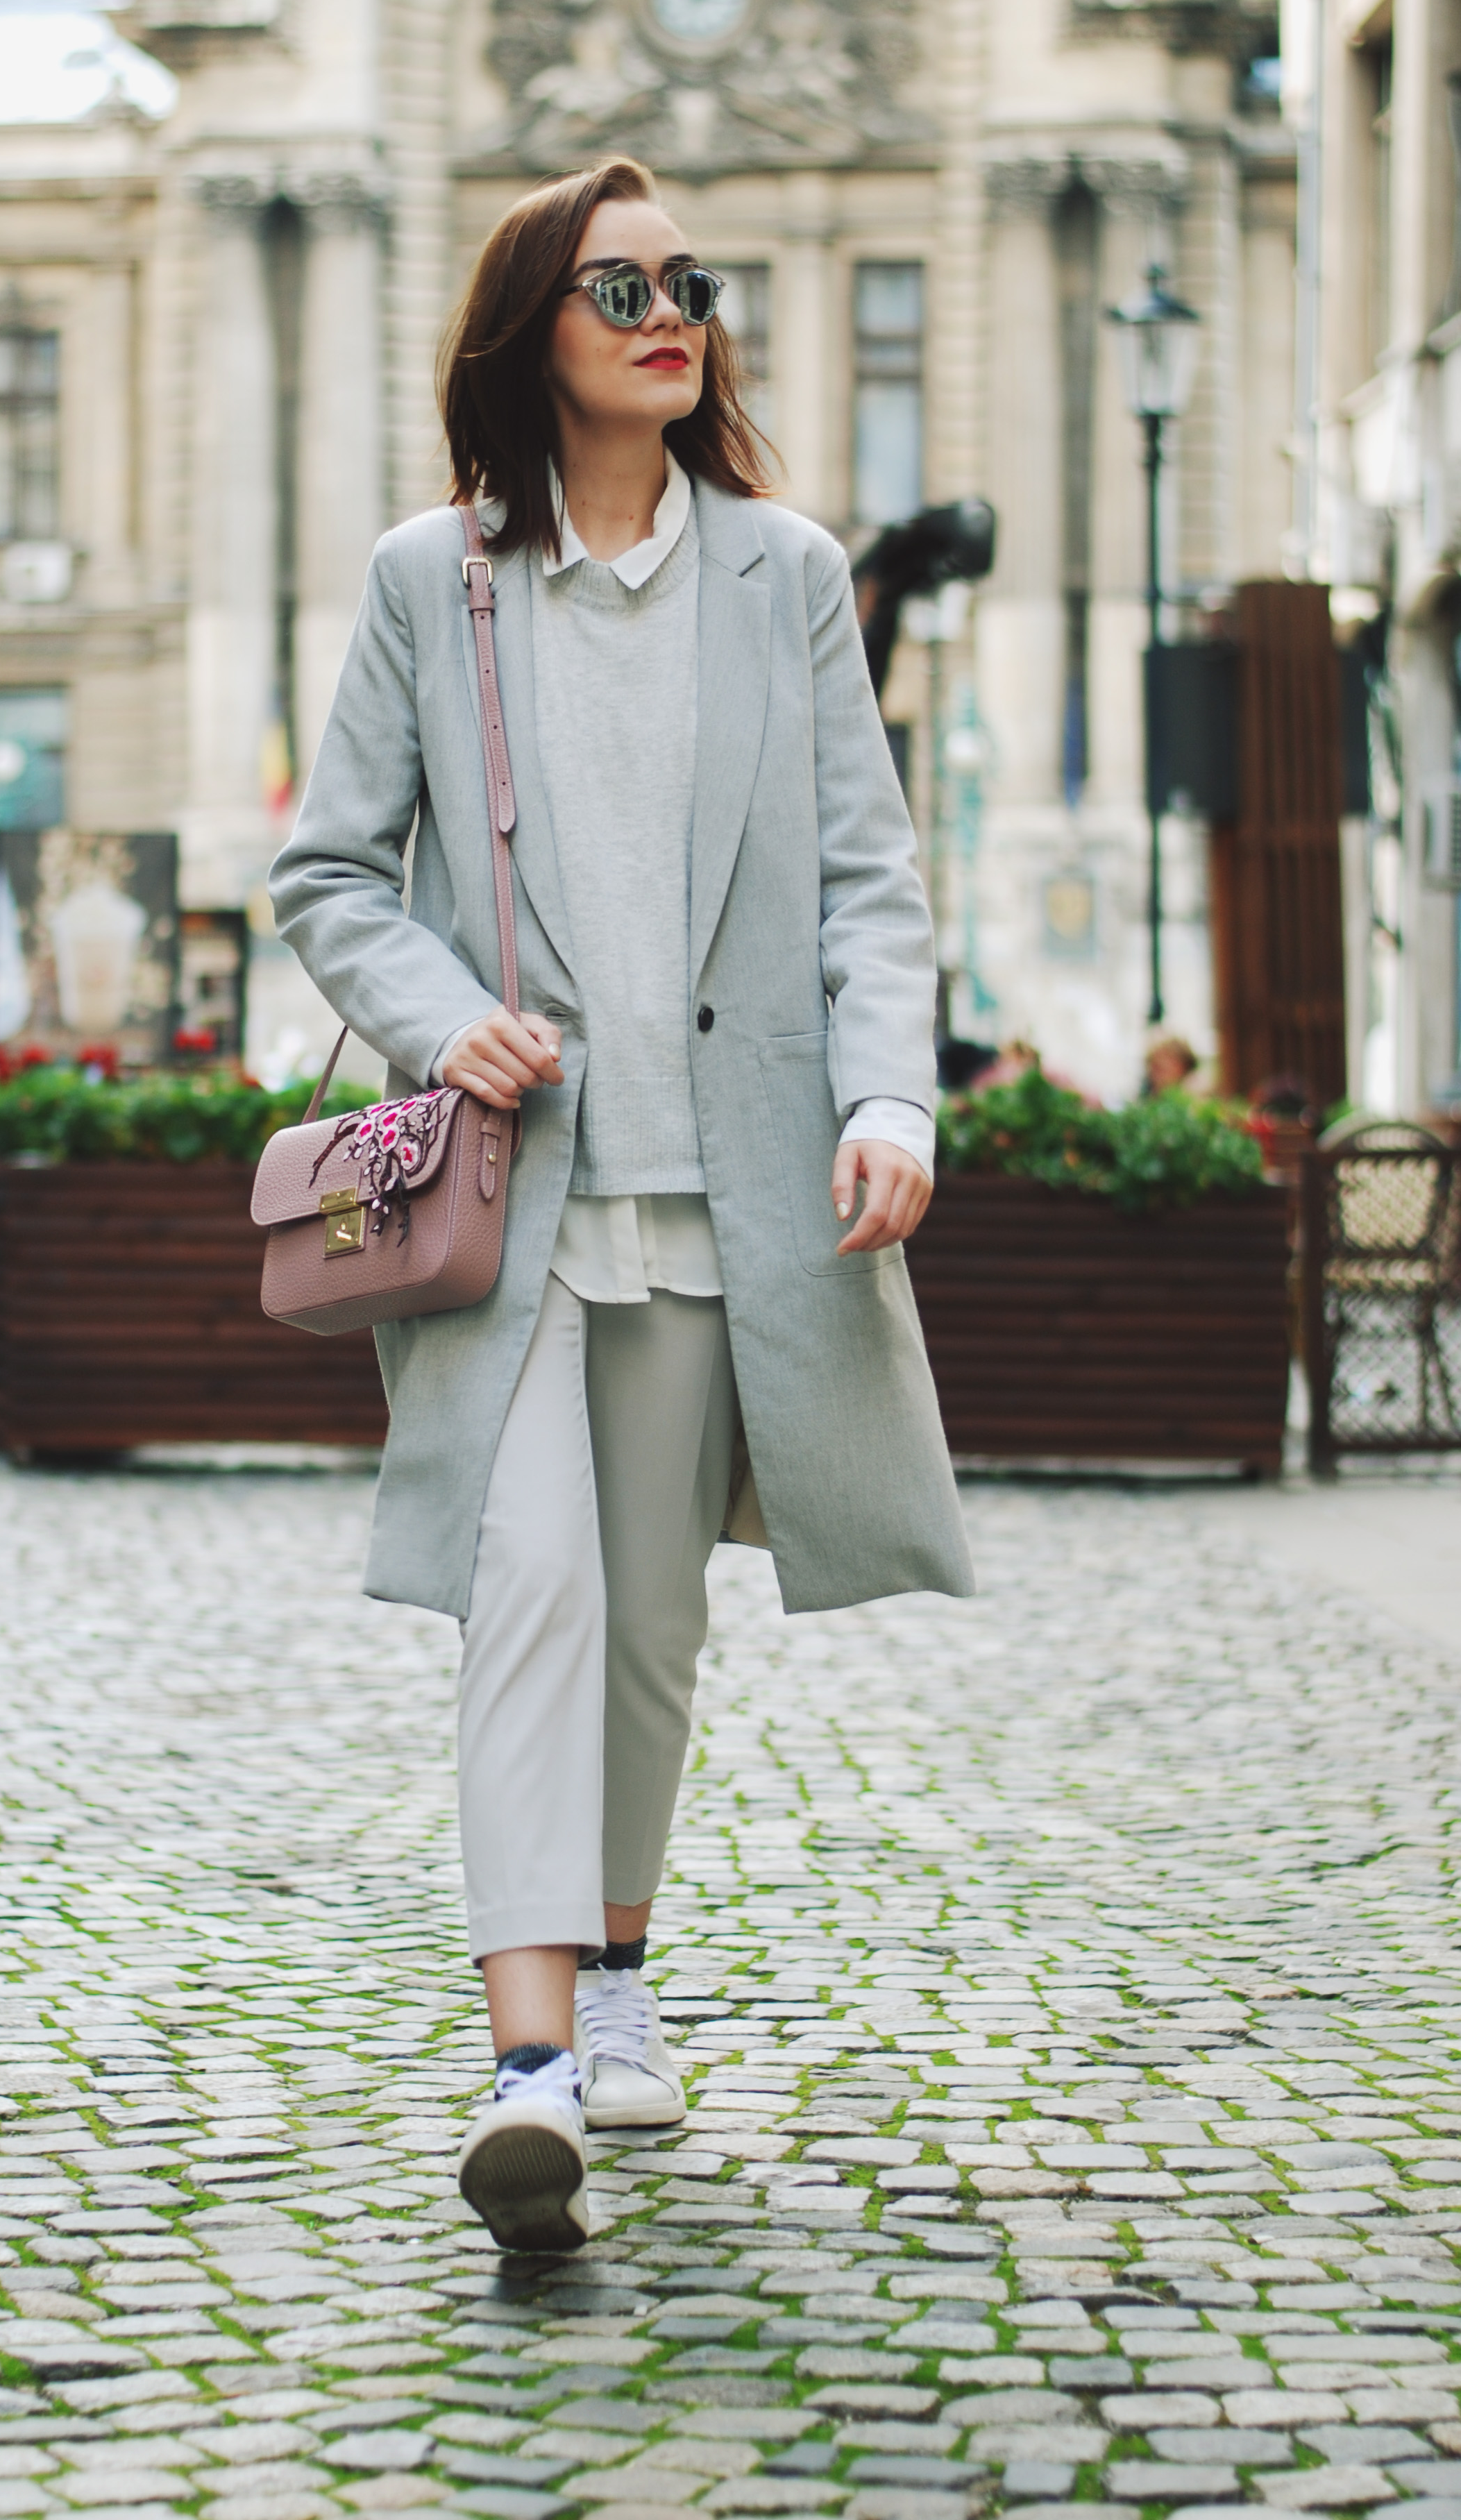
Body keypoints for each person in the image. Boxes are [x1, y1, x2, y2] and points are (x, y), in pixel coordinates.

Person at [270, 157, 973, 2254]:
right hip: (513, 1205)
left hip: (726, 1193)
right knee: (540, 1602)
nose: (669, 312)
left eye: (691, 283)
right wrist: (440, 1010)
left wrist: (889, 1099)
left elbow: (871, 883)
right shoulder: (437, 582)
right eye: (620, 285)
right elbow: (328, 874)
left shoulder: (788, 578)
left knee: (656, 1623)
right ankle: (532, 2067)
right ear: (533, 332)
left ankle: (627, 1959)